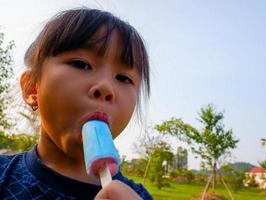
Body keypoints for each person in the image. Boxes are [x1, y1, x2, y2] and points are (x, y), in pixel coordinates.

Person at [0, 8, 152, 200]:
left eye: (123, 78)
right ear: (32, 88)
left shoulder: (138, 197)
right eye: (81, 64)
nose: (106, 88)